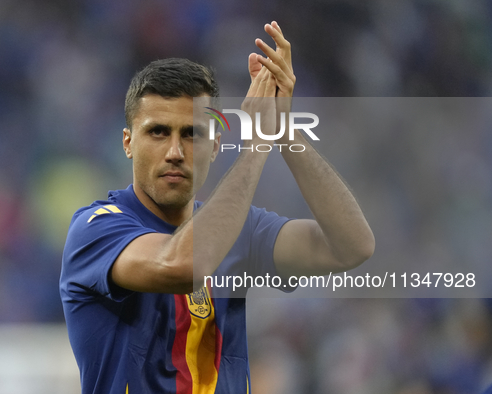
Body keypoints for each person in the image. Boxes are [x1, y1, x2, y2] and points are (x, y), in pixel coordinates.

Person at [60, 21, 374, 393]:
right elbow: (182, 265)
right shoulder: (97, 228)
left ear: (216, 144)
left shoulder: (240, 228)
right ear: (128, 143)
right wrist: (257, 144)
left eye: (193, 134)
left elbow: (353, 246)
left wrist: (283, 129)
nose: (175, 152)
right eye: (158, 132)